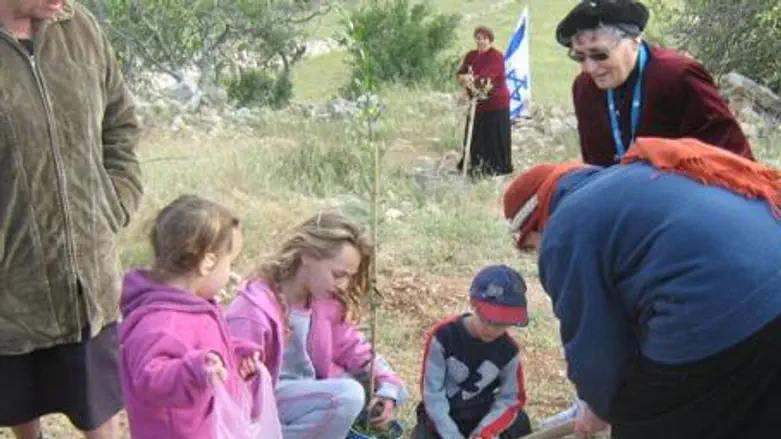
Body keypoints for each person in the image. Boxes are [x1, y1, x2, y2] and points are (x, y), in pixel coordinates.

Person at [502, 136, 781, 438]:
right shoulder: (637, 178)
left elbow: (594, 341)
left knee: (643, 419)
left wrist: (598, 406)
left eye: (531, 247)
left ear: (535, 223)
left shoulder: (564, 228)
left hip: (716, 307)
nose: (538, 254)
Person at [0, 1, 142, 438]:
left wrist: (116, 200)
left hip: (86, 276)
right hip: (10, 286)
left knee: (98, 408)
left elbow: (120, 122)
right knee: (18, 400)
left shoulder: (79, 27)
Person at [226, 212, 409, 439]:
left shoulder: (324, 303)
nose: (344, 285)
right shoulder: (253, 309)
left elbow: (352, 348)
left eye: (350, 277)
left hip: (305, 394)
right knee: (348, 395)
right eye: (338, 274)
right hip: (265, 401)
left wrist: (389, 386)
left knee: (368, 390)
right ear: (308, 255)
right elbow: (235, 386)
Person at [119, 195, 280, 439]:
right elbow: (150, 377)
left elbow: (202, 354)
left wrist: (234, 359)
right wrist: (195, 370)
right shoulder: (160, 321)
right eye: (230, 263)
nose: (230, 272)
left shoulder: (195, 307)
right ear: (207, 263)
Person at [556, 0, 754, 166]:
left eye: (599, 54)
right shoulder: (584, 88)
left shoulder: (679, 76)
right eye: (579, 57)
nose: (589, 68)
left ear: (634, 41)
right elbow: (594, 166)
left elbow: (733, 158)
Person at [412, 265, 532, 439]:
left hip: (481, 415)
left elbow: (510, 398)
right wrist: (451, 435)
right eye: (487, 320)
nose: (491, 329)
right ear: (473, 304)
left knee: (520, 421)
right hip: (443, 417)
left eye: (501, 324)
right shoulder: (443, 336)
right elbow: (432, 394)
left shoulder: (509, 351)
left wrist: (486, 432)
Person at [456, 25, 513, 177]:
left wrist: (470, 80)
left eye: (484, 38)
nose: (481, 41)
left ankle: (495, 168)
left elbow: (487, 78)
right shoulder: (471, 55)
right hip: (476, 102)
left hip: (495, 102)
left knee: (493, 136)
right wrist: (463, 78)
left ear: (490, 40)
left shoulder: (496, 56)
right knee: (475, 135)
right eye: (478, 38)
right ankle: (475, 164)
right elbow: (461, 73)